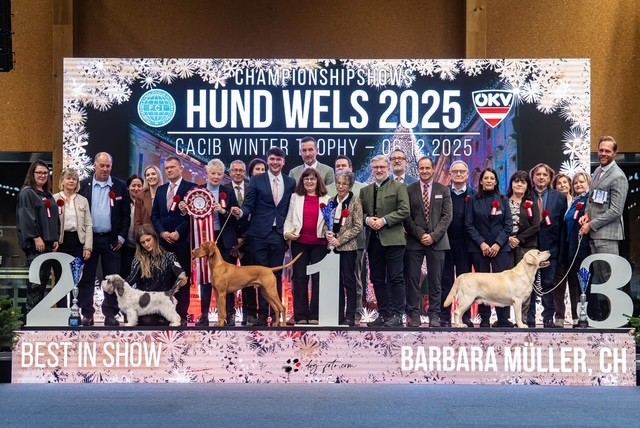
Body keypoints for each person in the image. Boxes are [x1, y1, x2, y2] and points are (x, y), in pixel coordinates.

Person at [231, 147, 296, 326]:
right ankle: (262, 315)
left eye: (278, 159)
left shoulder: (290, 182)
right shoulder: (256, 180)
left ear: (283, 162)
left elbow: (292, 207)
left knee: (275, 275)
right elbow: (249, 205)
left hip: (278, 234)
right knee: (259, 277)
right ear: (268, 160)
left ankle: (276, 315)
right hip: (258, 234)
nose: (275, 162)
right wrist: (240, 212)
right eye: (272, 159)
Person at [579, 136, 629, 320]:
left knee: (611, 278)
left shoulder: (618, 176)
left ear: (615, 153)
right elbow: (592, 200)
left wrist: (591, 225)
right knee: (602, 278)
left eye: (608, 151)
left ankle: (620, 319)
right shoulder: (597, 172)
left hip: (608, 236)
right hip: (595, 235)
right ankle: (610, 318)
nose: (603, 154)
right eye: (601, 150)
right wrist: (587, 215)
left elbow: (616, 210)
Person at [78, 152, 130, 326]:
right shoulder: (83, 185)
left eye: (108, 166)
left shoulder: (120, 186)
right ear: (95, 165)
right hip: (90, 240)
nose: (105, 169)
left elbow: (126, 215)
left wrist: (122, 237)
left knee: (113, 279)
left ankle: (110, 314)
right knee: (87, 277)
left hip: (112, 240)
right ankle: (87, 314)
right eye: (102, 165)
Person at [359, 154, 410, 327]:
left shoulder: (399, 187)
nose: (379, 170)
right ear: (372, 170)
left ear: (388, 168)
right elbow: (359, 214)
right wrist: (367, 220)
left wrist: (384, 220)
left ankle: (398, 315)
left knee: (396, 278)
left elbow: (404, 210)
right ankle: (384, 313)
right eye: (376, 167)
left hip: (394, 241)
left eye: (382, 167)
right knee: (377, 279)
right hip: (373, 242)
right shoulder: (365, 191)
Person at [403, 157, 452, 327]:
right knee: (412, 279)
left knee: (435, 281)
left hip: (437, 242)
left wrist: (433, 236)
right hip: (414, 241)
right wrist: (420, 234)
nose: (424, 171)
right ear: (418, 170)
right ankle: (414, 315)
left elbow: (447, 216)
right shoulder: (410, 190)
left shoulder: (443, 190)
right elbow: (406, 216)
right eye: (421, 168)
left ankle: (434, 316)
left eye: (427, 168)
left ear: (433, 169)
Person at [193, 159, 239, 327]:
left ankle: (230, 315)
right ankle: (204, 315)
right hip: (204, 237)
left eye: (219, 174)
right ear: (207, 173)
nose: (216, 176)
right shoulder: (198, 191)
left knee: (229, 280)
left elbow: (236, 216)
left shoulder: (229, 191)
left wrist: (224, 211)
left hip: (223, 240)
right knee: (206, 279)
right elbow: (191, 214)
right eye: (213, 173)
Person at [465, 168, 513, 328]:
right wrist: (482, 243)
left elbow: (508, 225)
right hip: (479, 249)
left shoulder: (503, 200)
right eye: (486, 178)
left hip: (501, 249)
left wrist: (498, 244)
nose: (489, 181)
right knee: (483, 285)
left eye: (492, 178)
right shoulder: (473, 200)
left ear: (496, 181)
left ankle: (503, 318)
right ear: (481, 181)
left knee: (503, 285)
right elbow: (469, 225)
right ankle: (484, 318)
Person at [151, 155, 196, 326]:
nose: (169, 170)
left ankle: (181, 315)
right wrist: (162, 232)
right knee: (164, 278)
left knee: (182, 279)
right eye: (167, 168)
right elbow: (155, 215)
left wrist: (178, 232)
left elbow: (192, 216)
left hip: (182, 242)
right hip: (163, 243)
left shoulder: (191, 188)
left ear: (181, 168)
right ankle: (164, 315)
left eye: (172, 167)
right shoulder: (161, 190)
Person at [284, 168, 330, 324]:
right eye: (306, 179)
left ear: (318, 181)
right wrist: (287, 233)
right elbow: (289, 218)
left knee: (318, 279)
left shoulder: (327, 199)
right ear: (302, 181)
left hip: (320, 244)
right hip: (299, 243)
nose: (309, 181)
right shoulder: (295, 197)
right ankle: (301, 316)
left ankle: (316, 315)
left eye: (313, 179)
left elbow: (329, 223)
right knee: (299, 278)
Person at [326, 155, 367, 323]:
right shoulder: (331, 200)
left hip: (349, 248)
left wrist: (340, 240)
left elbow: (358, 226)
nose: (341, 186)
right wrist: (328, 234)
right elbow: (326, 222)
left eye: (344, 183)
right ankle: (337, 315)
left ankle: (350, 315)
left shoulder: (355, 201)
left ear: (350, 185)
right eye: (338, 183)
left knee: (349, 281)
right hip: (332, 248)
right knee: (335, 283)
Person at [16, 160, 61, 311]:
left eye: (45, 173)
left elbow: (55, 217)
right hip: (35, 245)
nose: (42, 175)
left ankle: (38, 315)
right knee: (35, 283)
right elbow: (26, 217)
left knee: (43, 283)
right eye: (39, 173)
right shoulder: (27, 193)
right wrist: (36, 237)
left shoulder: (48, 194)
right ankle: (31, 316)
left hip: (48, 245)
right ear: (32, 174)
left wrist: (55, 238)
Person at [125, 224, 188, 326]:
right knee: (144, 320)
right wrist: (118, 284)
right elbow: (131, 279)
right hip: (146, 306)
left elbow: (179, 271)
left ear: (155, 238)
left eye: (148, 240)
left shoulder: (170, 256)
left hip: (164, 302)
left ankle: (176, 317)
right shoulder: (138, 260)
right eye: (143, 242)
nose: (146, 244)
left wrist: (182, 277)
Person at [530, 163, 567, 328]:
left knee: (548, 283)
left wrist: (560, 251)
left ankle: (548, 317)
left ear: (550, 178)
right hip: (529, 248)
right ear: (533, 177)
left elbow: (562, 226)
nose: (541, 177)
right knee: (528, 284)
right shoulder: (526, 194)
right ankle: (529, 318)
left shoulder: (559, 197)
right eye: (538, 174)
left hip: (551, 248)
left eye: (545, 175)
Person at [441, 160, 476, 328]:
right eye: (455, 171)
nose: (459, 174)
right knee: (445, 281)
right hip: (445, 244)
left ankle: (465, 317)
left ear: (467, 174)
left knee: (465, 284)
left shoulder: (474, 194)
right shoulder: (443, 193)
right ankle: (444, 317)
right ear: (450, 175)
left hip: (466, 245)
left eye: (462, 171)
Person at [506, 170, 540, 327]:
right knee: (505, 284)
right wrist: (508, 238)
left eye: (523, 181)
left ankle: (523, 320)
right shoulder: (503, 201)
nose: (519, 184)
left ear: (527, 185)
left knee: (525, 285)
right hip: (506, 246)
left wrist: (519, 239)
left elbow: (536, 226)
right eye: (516, 181)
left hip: (526, 248)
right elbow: (498, 223)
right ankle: (504, 319)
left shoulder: (531, 203)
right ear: (511, 184)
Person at [228, 159, 257, 326]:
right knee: (228, 281)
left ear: (245, 173)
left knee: (249, 281)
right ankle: (230, 314)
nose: (238, 173)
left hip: (249, 240)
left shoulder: (252, 189)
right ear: (230, 172)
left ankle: (250, 314)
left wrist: (243, 239)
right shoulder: (224, 189)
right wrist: (233, 241)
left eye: (241, 170)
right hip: (229, 242)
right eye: (235, 170)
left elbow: (256, 214)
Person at [564, 171, 591, 326]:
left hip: (583, 246)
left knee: (583, 283)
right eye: (575, 183)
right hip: (571, 247)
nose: (578, 184)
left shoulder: (589, 200)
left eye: (582, 181)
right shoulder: (573, 202)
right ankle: (576, 317)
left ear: (588, 183)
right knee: (573, 282)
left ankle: (585, 317)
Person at [53, 168, 93, 265]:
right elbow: (51, 223)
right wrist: (53, 240)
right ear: (62, 181)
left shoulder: (83, 200)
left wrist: (88, 247)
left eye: (74, 179)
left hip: (78, 242)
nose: (71, 181)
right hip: (60, 242)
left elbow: (88, 225)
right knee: (60, 271)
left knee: (76, 272)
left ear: (77, 182)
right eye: (68, 178)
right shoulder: (54, 198)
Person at [551, 172, 573, 326]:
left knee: (576, 284)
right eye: (559, 183)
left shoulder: (578, 201)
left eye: (565, 182)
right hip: (559, 248)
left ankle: (578, 316)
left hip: (575, 247)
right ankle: (559, 317)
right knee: (558, 284)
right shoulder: (554, 203)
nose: (562, 185)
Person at [121, 175, 143, 278]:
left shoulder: (146, 203)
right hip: (125, 246)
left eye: (139, 186)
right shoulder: (123, 202)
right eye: (133, 185)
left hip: (141, 246)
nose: (136, 188)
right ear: (128, 187)